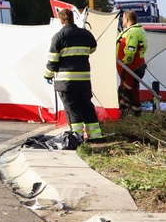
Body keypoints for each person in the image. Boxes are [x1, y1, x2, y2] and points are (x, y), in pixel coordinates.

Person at [44, 9, 102, 141]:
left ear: (61, 21)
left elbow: (53, 60)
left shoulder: (59, 36)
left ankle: (77, 138)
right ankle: (96, 136)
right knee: (87, 107)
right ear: (72, 19)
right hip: (84, 80)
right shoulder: (86, 34)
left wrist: (48, 75)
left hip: (66, 81)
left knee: (72, 109)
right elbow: (93, 48)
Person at [116, 10, 147, 112]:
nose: (122, 21)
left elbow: (130, 52)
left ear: (127, 20)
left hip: (131, 66)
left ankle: (123, 112)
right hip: (137, 65)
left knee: (125, 90)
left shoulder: (131, 32)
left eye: (123, 19)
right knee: (133, 89)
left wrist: (124, 67)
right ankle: (136, 111)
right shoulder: (139, 29)